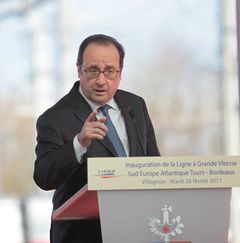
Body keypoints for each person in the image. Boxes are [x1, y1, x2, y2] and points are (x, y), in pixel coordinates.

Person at [33, 34, 160, 243]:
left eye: (109, 71)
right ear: (79, 69)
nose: (101, 80)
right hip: (83, 235)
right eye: (93, 70)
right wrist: (79, 143)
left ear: (120, 73)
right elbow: (44, 177)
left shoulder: (135, 106)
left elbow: (153, 162)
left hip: (135, 230)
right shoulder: (54, 118)